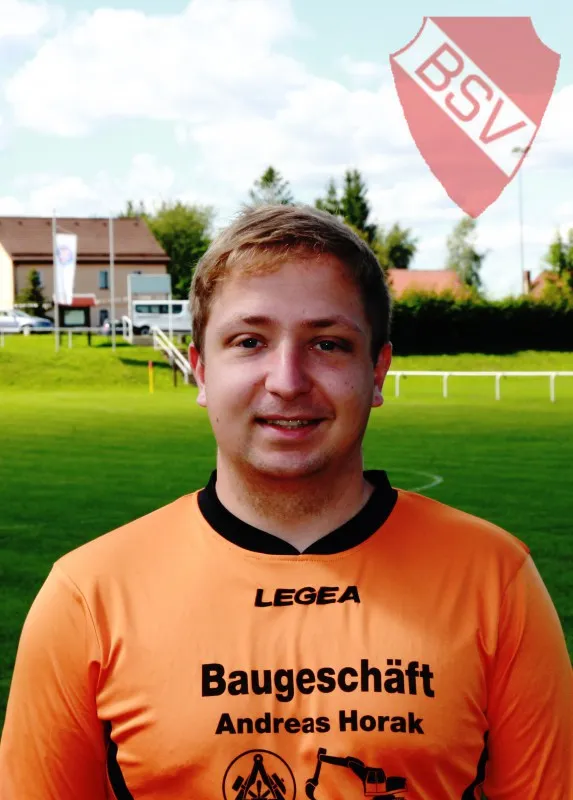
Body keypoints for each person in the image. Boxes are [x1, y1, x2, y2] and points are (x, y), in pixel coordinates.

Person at [0, 204, 571, 799]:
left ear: (378, 370)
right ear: (200, 370)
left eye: (328, 344)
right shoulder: (88, 598)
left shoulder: (494, 579)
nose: (288, 381)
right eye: (249, 341)